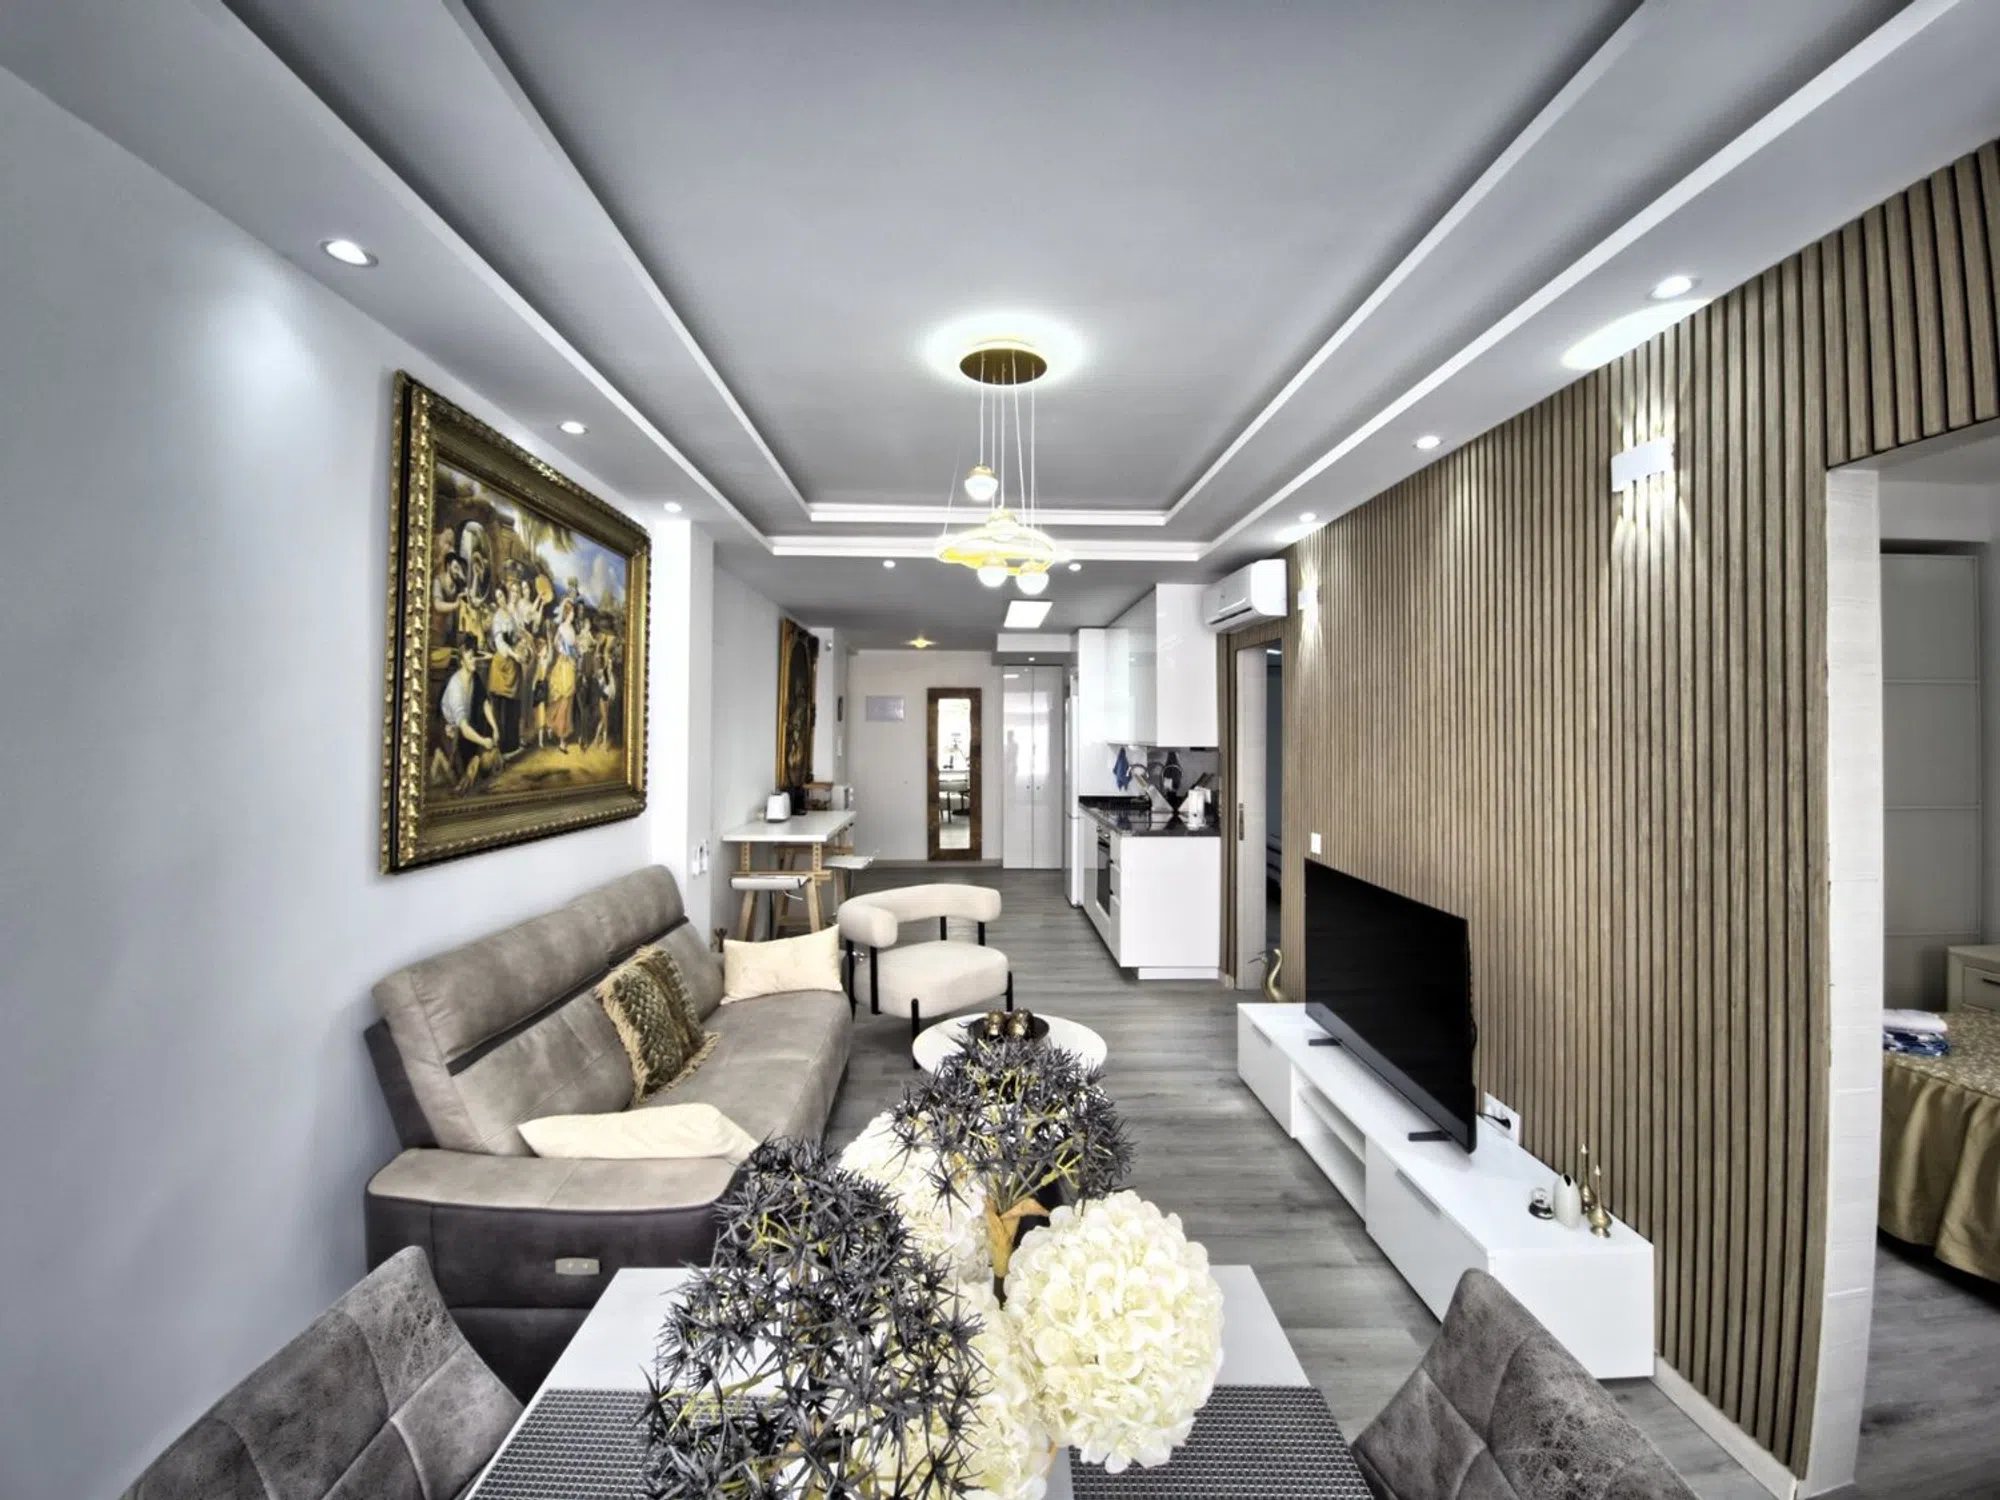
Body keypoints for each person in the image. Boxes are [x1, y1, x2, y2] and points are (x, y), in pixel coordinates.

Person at [432, 636, 500, 793]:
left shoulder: (474, 677)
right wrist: (483, 741)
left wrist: (495, 727)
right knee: (460, 780)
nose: (474, 660)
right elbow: (463, 728)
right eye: (470, 658)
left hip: (466, 728)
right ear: (462, 662)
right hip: (450, 730)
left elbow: (484, 703)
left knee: (483, 767)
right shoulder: (455, 687)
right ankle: (441, 756)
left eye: (474, 656)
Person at [546, 599, 579, 748]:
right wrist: (563, 651)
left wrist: (577, 652)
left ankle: (560, 732)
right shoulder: (562, 627)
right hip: (563, 665)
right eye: (571, 612)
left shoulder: (572, 629)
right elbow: (556, 642)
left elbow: (575, 646)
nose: (573, 614)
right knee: (562, 699)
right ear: (566, 613)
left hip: (570, 665)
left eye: (573, 612)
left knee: (568, 700)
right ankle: (561, 737)